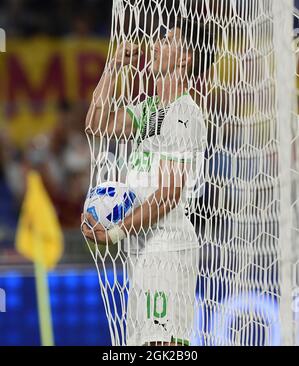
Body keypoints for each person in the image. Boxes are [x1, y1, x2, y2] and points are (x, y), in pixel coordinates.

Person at [82, 17, 215, 346]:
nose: (155, 44)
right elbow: (96, 125)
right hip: (142, 249)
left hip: (167, 248)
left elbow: (168, 195)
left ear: (186, 57)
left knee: (162, 348)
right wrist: (113, 67)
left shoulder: (185, 114)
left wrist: (115, 229)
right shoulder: (151, 109)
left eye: (167, 40)